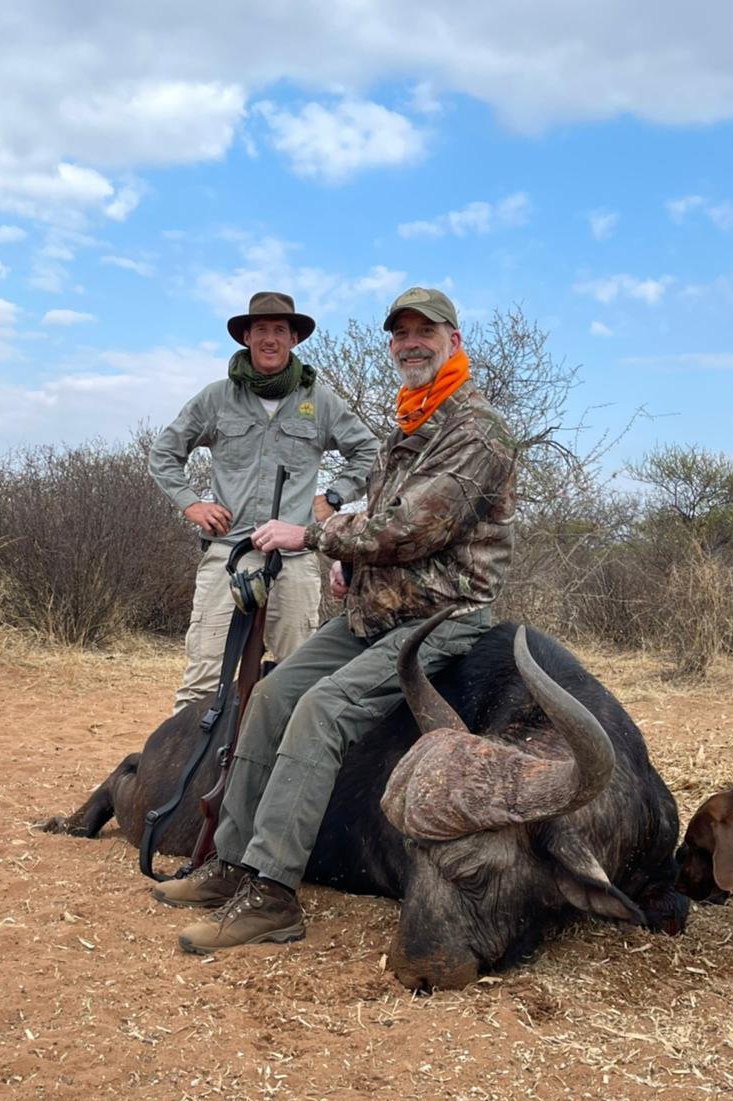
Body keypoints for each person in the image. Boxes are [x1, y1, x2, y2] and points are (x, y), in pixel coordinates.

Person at [153, 286, 517, 953]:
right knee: (270, 693)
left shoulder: (476, 428)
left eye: (424, 332)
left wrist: (315, 538)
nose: (410, 343)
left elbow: (415, 526)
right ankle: (229, 862)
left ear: (453, 341)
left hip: (439, 619)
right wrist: (355, 560)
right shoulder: (411, 420)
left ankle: (272, 895)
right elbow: (378, 510)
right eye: (400, 334)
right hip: (376, 608)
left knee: (321, 710)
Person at [148, 291, 379, 715]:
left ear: (293, 339)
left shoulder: (320, 401)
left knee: (298, 677)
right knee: (202, 680)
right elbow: (164, 453)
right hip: (228, 554)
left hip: (293, 559)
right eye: (260, 330)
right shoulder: (215, 398)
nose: (269, 339)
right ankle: (188, 775)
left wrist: (332, 497)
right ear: (246, 337)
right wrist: (191, 505)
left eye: (279, 330)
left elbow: (370, 454)